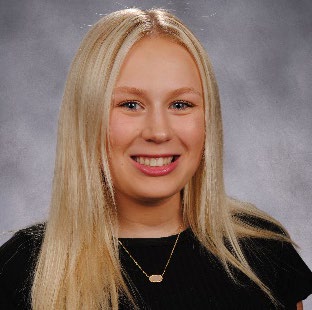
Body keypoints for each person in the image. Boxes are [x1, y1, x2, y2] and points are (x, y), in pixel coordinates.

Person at [0, 8, 311, 310]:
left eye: (180, 104)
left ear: (208, 117)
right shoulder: (21, 270)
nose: (159, 132)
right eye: (131, 104)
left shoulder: (265, 255)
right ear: (86, 117)